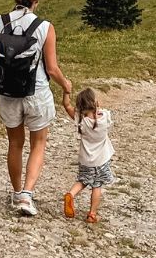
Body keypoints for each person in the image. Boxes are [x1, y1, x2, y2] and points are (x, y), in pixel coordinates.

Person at [0, 0, 72, 217]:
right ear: (36, 1)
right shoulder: (45, 26)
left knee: (14, 143)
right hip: (36, 92)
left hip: (6, 92)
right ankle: (27, 194)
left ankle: (15, 191)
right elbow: (52, 68)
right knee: (38, 143)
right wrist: (66, 85)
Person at [62, 88, 115, 224]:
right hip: (101, 160)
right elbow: (104, 115)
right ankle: (92, 214)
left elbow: (67, 105)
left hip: (85, 159)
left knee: (83, 180)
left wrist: (66, 92)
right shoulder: (105, 117)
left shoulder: (80, 119)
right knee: (97, 186)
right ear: (95, 102)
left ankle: (71, 194)